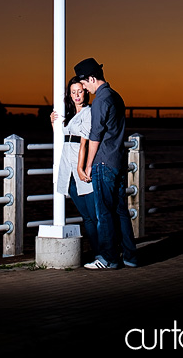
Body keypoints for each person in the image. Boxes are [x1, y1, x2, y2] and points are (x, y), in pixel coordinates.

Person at [73, 57, 138, 270]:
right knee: (120, 211)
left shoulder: (101, 99)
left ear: (92, 78)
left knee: (104, 213)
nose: (85, 89)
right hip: (118, 160)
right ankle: (130, 256)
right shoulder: (115, 96)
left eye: (85, 84)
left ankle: (108, 258)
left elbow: (95, 135)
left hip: (103, 162)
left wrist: (88, 164)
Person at [50, 76, 99, 257]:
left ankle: (102, 252)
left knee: (93, 216)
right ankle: (97, 251)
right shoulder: (69, 113)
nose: (77, 95)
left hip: (81, 168)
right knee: (86, 216)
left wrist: (82, 168)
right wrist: (52, 121)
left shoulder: (89, 112)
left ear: (85, 92)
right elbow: (61, 137)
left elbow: (84, 143)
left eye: (80, 91)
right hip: (68, 169)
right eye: (73, 92)